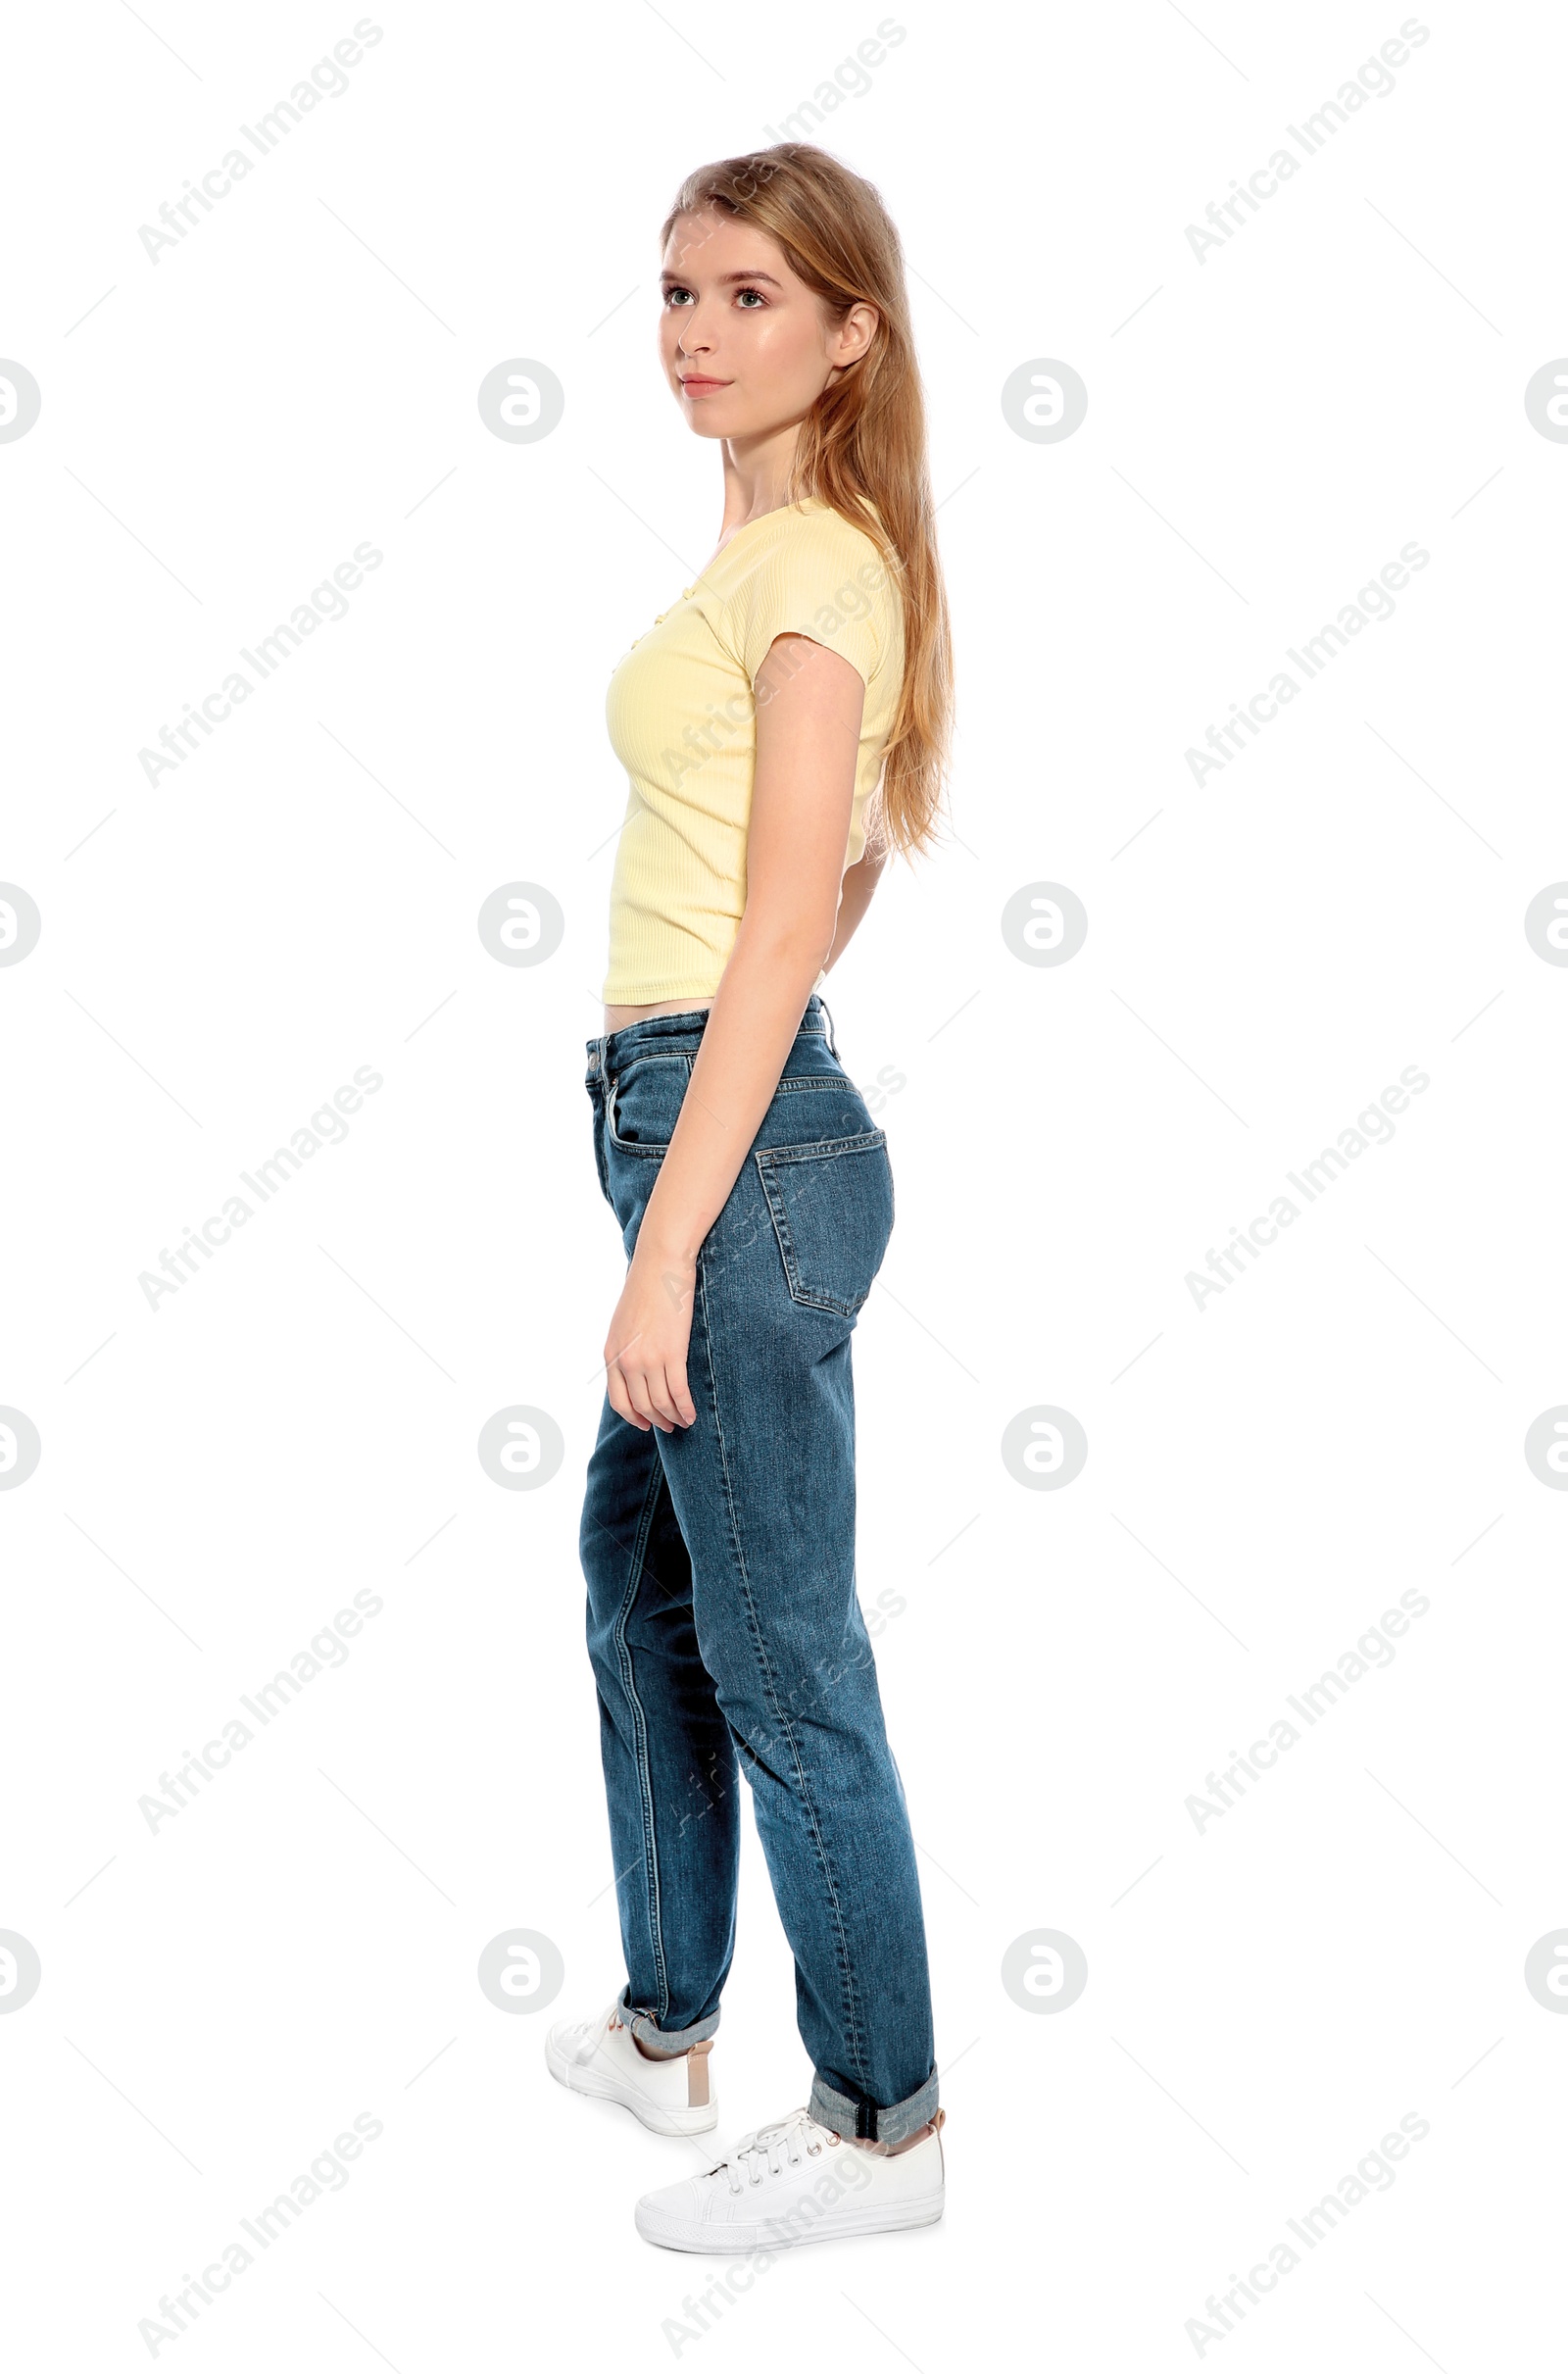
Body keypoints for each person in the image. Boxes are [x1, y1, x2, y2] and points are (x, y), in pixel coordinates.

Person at [546, 141, 955, 2253]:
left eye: (746, 298)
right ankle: (661, 2015)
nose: (693, 333)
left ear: (847, 332)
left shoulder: (818, 575)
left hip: (731, 1146)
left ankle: (881, 2121)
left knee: (782, 1651)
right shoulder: (778, 559)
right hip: (702, 1110)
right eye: (679, 291)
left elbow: (785, 929)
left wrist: (674, 1234)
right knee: (639, 1591)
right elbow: (836, 873)